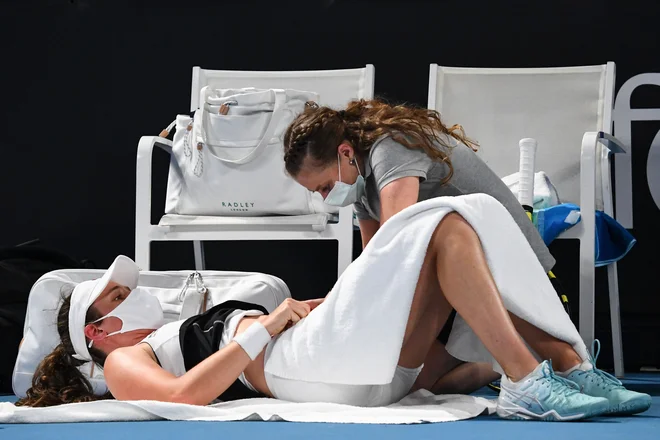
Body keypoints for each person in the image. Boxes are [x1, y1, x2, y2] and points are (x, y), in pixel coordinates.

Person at [18, 207, 650, 420]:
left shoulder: (155, 334)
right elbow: (184, 396)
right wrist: (266, 326)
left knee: (456, 232)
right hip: (301, 365)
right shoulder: (124, 359)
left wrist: (302, 315)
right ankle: (536, 379)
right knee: (442, 224)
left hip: (321, 357)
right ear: (95, 332)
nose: (131, 293)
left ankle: (565, 365)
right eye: (115, 297)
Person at [282, 98, 567, 393]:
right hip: (464, 286)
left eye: (326, 186)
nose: (327, 198)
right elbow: (370, 268)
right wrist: (331, 304)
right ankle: (496, 361)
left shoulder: (391, 147)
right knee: (415, 387)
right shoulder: (362, 185)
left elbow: (395, 257)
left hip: (523, 287)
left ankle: (528, 365)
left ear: (345, 152)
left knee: (389, 365)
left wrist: (340, 324)